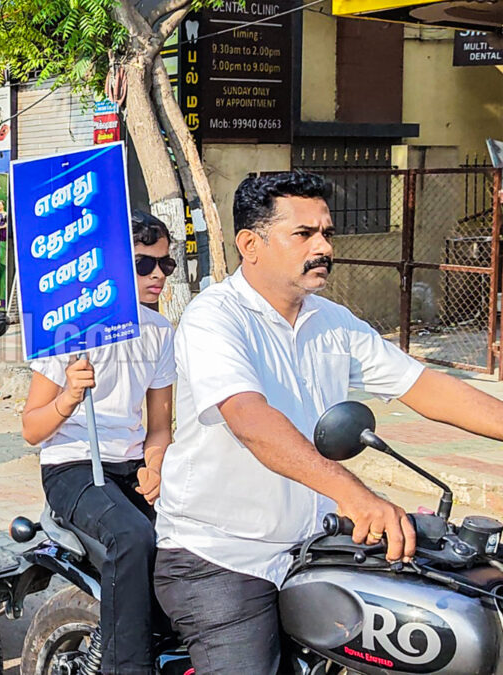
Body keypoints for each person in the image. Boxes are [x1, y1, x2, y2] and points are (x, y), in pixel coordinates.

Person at [153, 171, 503, 673]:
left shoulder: (332, 321)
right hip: (223, 556)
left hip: (315, 548)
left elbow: (425, 386)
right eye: (304, 234)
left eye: (327, 233)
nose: (323, 247)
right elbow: (250, 419)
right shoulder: (215, 318)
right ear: (250, 244)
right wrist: (356, 494)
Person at [21, 212, 176, 674]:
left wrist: (155, 465)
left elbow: (161, 425)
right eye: (144, 264)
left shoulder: (160, 331)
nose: (157, 276)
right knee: (132, 537)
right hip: (73, 467)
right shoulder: (69, 327)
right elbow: (31, 428)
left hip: (131, 467)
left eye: (165, 266)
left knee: (197, 534)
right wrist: (68, 396)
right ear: (110, 265)